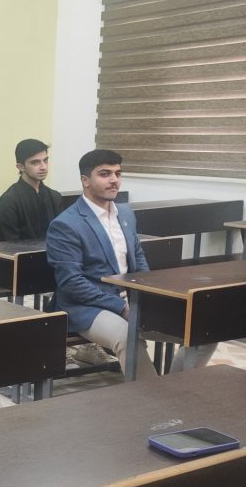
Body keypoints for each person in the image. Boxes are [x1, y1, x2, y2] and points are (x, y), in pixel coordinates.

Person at [46, 149, 215, 378]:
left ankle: (176, 386)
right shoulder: (66, 224)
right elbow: (71, 283)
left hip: (132, 298)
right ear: (85, 180)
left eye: (118, 173)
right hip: (86, 307)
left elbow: (138, 260)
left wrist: (150, 297)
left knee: (205, 328)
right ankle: (152, 396)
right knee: (128, 336)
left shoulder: (125, 214)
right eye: (104, 174)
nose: (114, 180)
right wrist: (121, 307)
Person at [0, 139, 64, 241]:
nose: (43, 167)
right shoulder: (8, 202)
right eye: (35, 162)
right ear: (21, 167)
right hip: (22, 251)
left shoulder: (55, 197)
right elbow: (9, 244)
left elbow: (62, 235)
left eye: (45, 160)